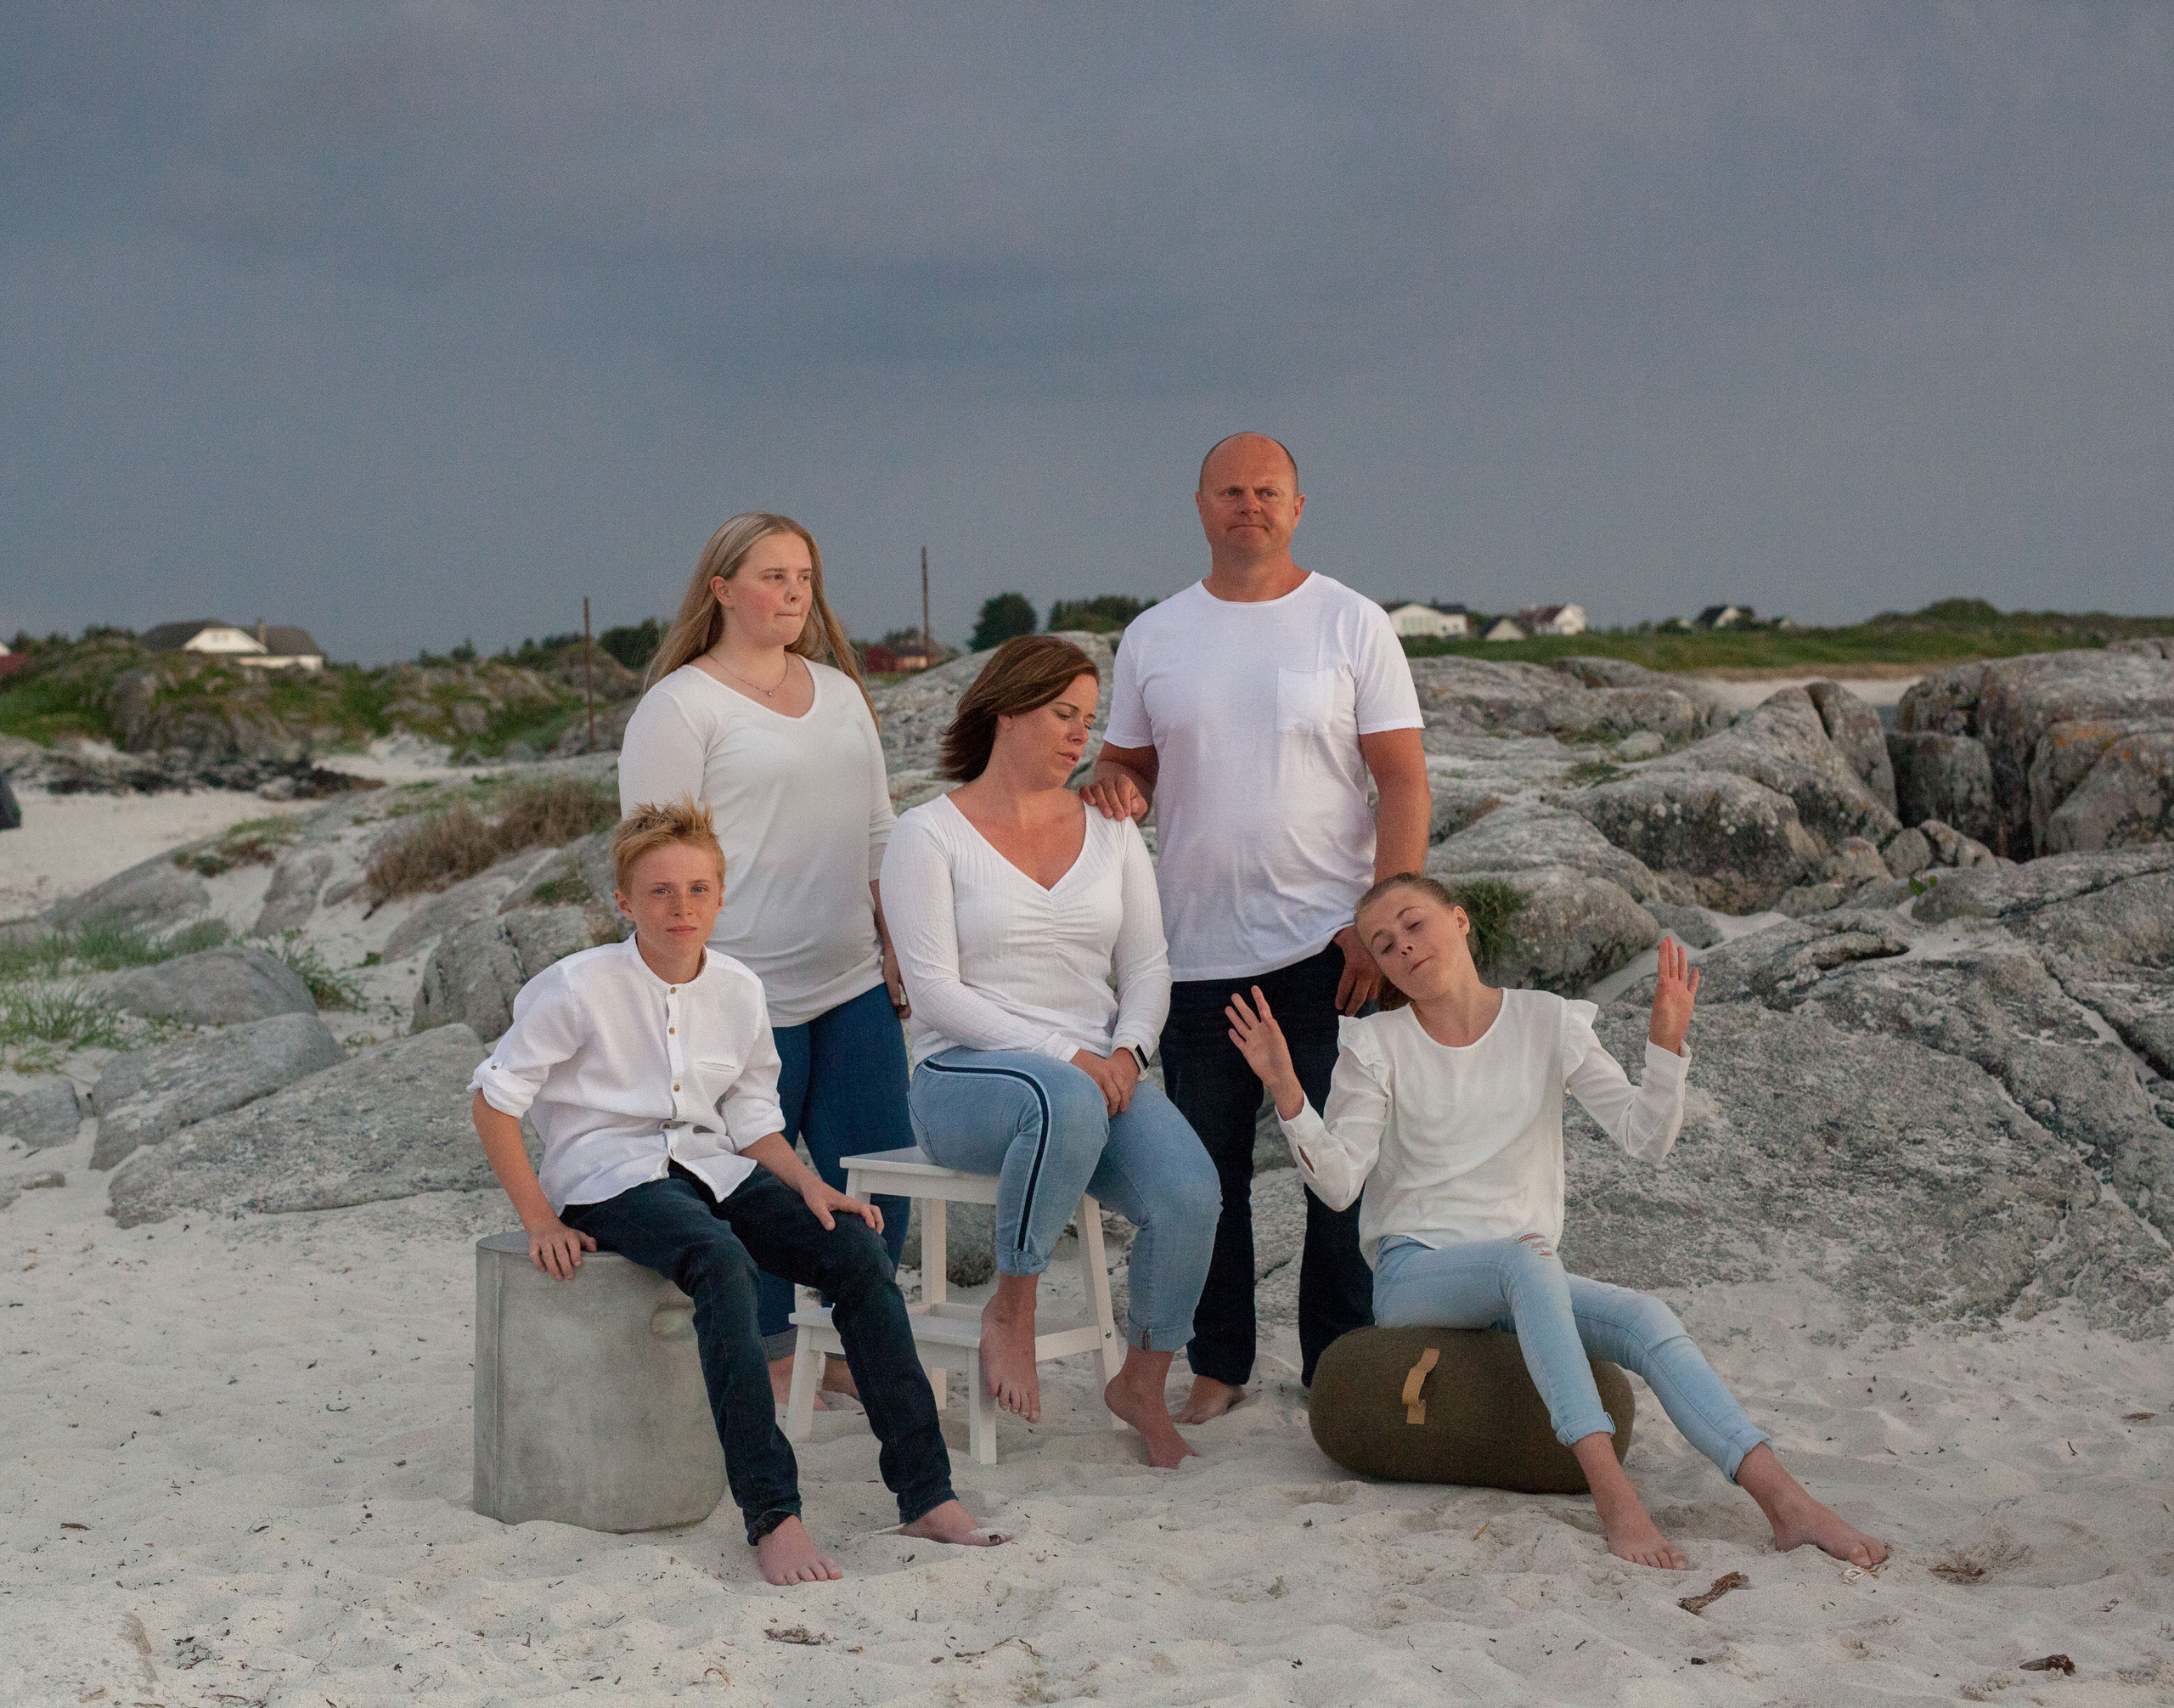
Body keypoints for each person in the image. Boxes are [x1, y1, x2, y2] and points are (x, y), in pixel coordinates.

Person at [1225, 873, 1890, 1571]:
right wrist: (1287, 1088)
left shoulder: (1547, 1020)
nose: (1404, 948)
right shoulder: (1374, 1044)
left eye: (1414, 924)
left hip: (1524, 1279)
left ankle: (1786, 1501)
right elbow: (1338, 1187)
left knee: (1645, 1316)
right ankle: (1615, 1498)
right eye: (1384, 945)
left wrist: (1665, 1047)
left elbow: (1643, 1136)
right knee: (1527, 1257)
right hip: (1415, 1273)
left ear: (1460, 920)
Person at [468, 798, 1004, 1585]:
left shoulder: (740, 990)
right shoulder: (576, 987)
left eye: (697, 889)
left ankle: (926, 1493)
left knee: (856, 1251)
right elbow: (493, 1100)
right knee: (722, 1262)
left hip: (709, 1163)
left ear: (721, 897)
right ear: (624, 902)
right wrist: (539, 1218)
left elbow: (753, 1118)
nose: (680, 907)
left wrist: (810, 1184)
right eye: (659, 891)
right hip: (608, 1177)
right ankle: (773, 1515)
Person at [1084, 431, 1432, 1420]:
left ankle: (1338, 1365)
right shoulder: (1155, 634)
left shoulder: (1351, 622)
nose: (1250, 506)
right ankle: (1219, 1364)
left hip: (1329, 949)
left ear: (1298, 506)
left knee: (1339, 1174)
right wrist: (1113, 782)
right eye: (1231, 491)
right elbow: (1127, 766)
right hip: (1194, 953)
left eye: (1267, 491)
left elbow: (1403, 780)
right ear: (1201, 506)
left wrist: (1380, 926)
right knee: (1208, 1179)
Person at [881, 636, 1221, 1468]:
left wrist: (1129, 1053)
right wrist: (1067, 1053)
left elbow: (1147, 967)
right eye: (1063, 713)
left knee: (1189, 1192)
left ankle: (1142, 1381)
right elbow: (934, 992)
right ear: (1005, 709)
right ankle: (1013, 1307)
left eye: (1088, 718)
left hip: (1097, 1073)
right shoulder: (927, 834)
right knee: (1060, 1097)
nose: (1081, 735)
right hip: (962, 1073)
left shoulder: (1111, 831)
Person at [620, 512, 910, 1408]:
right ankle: (776, 1355)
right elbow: (654, 855)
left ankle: (855, 1344)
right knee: (756, 1185)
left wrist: (897, 942)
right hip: (740, 992)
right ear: (721, 590)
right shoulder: (682, 706)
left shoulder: (841, 693)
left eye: (804, 577)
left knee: (881, 1172)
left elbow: (878, 830)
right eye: (773, 576)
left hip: (851, 980)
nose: (794, 593)